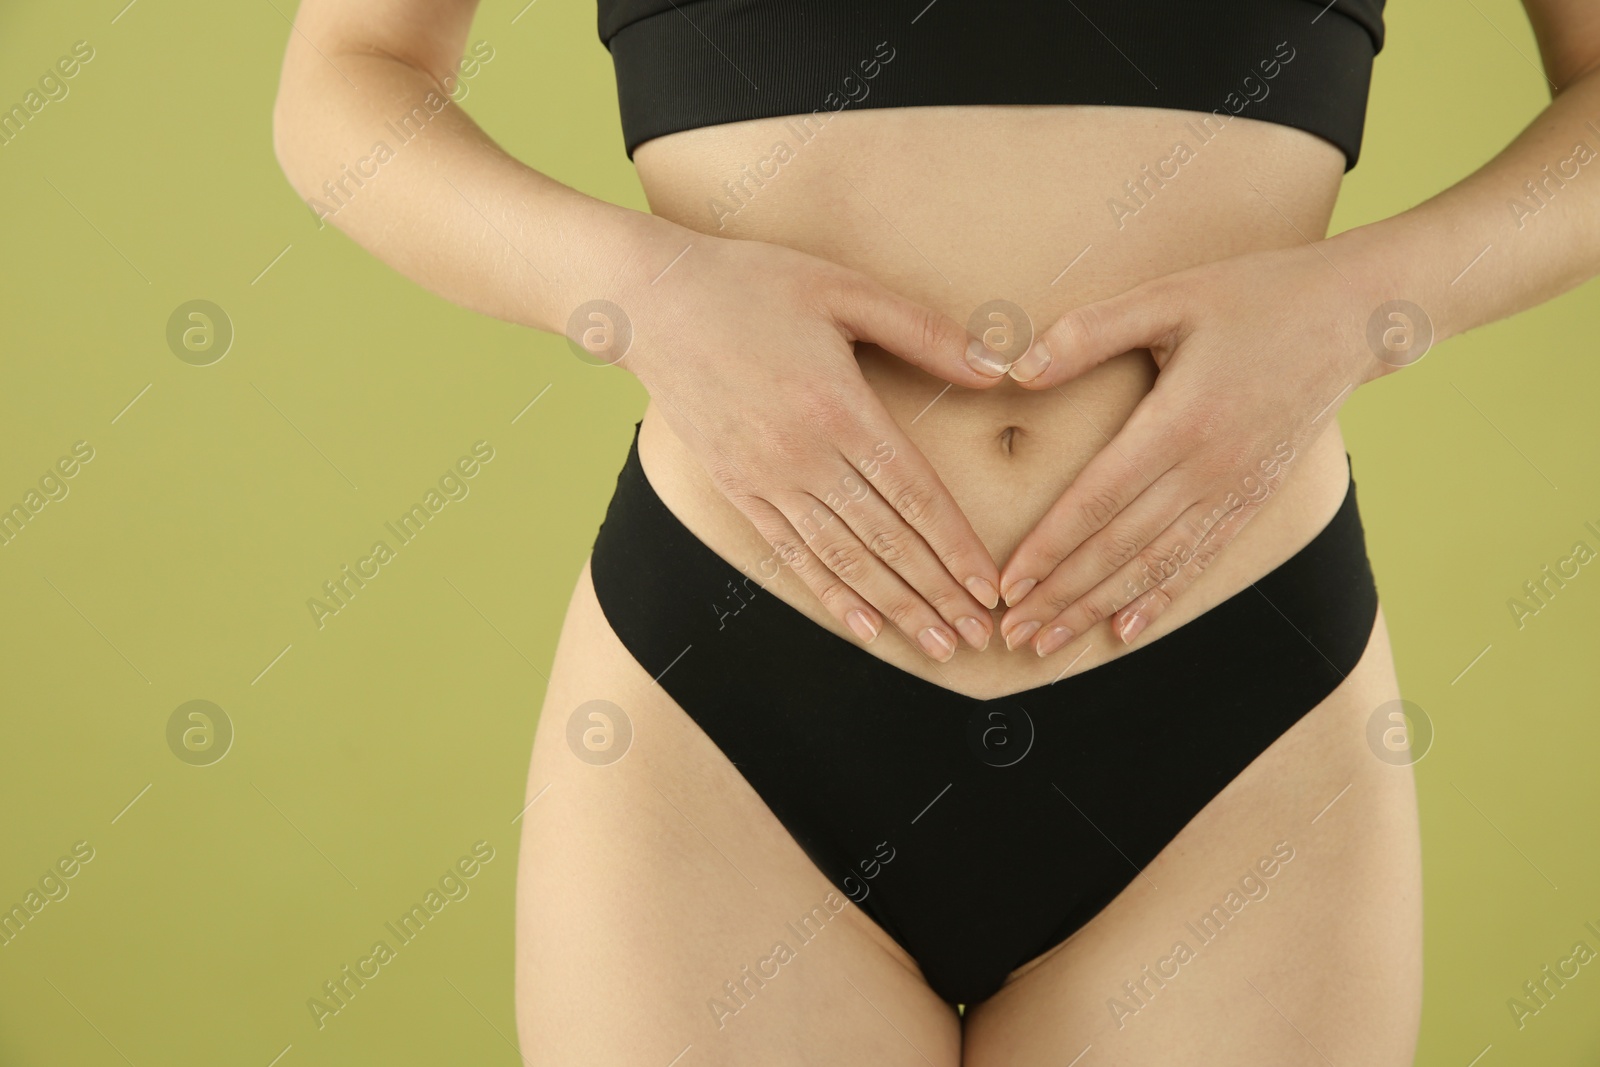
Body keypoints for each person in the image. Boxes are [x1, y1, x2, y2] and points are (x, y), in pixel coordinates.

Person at [273, 0, 1600, 1061]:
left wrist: (1378, 303)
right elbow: (346, 81)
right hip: (733, 716)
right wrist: (639, 293)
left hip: (1238, 716)